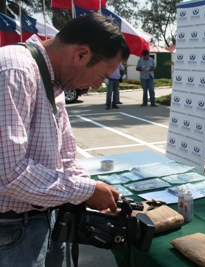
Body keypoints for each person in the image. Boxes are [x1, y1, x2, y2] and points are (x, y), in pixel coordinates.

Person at [0, 13, 130, 267]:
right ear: (81, 54)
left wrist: (89, 189)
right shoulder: (14, 70)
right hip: (11, 229)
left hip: (45, 218)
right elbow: (8, 173)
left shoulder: (51, 80)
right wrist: (87, 191)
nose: (95, 86)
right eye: (101, 76)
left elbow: (66, 155)